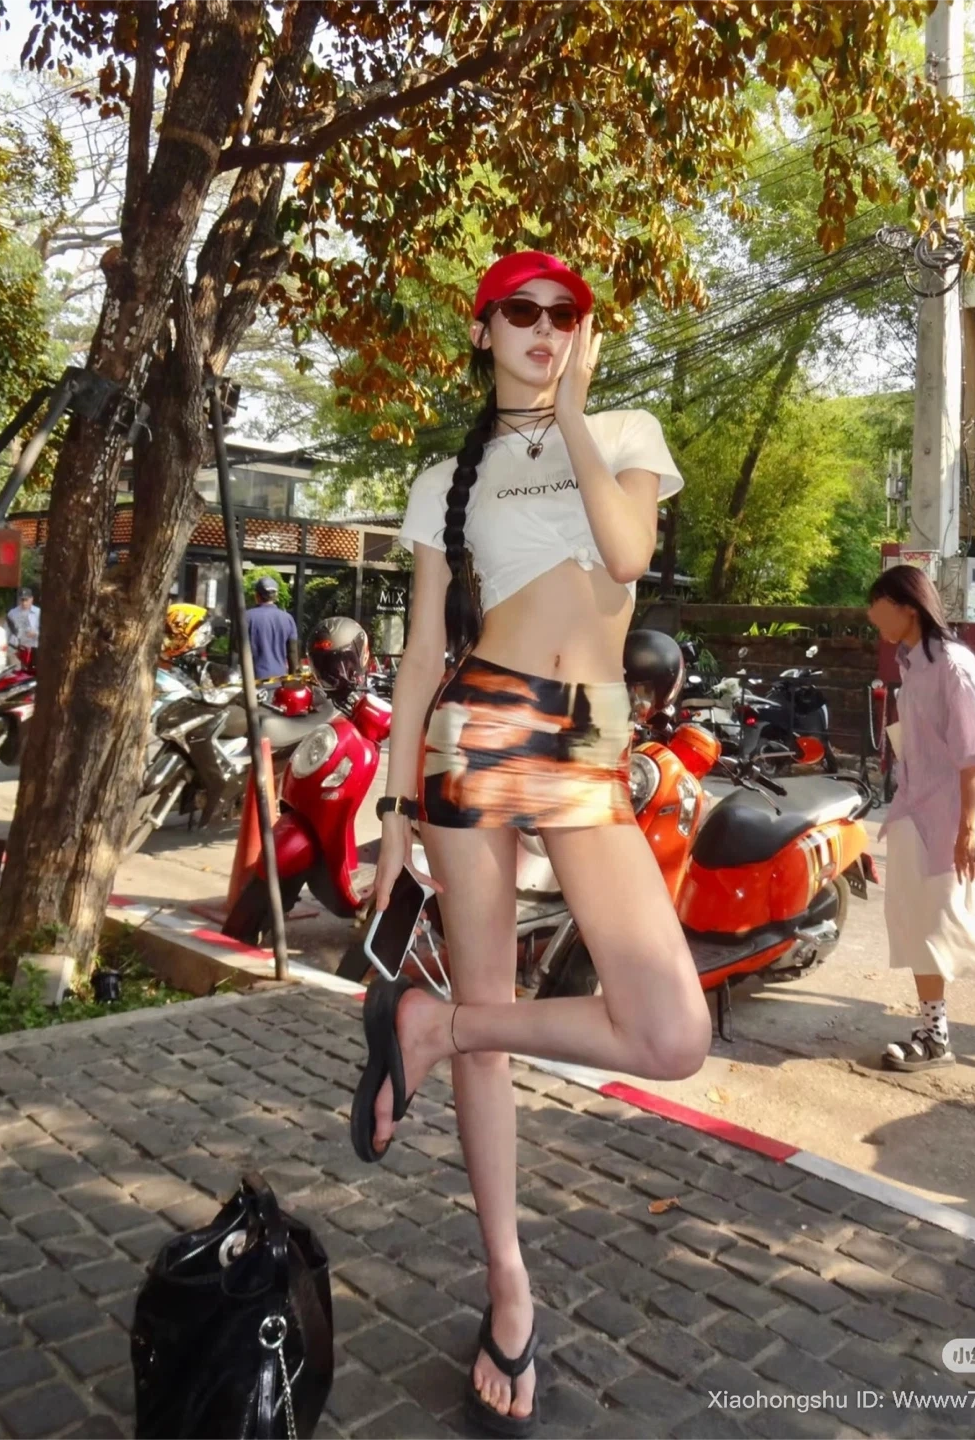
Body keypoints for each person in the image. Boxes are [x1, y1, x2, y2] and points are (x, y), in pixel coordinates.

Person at [350, 251, 712, 1436]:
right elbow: (419, 654)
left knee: (670, 1032)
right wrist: (393, 816)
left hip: (593, 736)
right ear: (484, 329)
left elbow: (627, 556)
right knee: (498, 992)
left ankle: (435, 1025)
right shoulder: (441, 480)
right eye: (522, 311)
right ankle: (506, 1281)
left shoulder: (624, 432)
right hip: (480, 722)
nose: (546, 328)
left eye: (566, 314)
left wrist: (572, 414)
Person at [867, 564, 975, 1074]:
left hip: (955, 814)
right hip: (913, 810)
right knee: (917, 923)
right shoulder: (910, 665)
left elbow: (973, 754)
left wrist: (969, 827)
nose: (872, 616)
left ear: (908, 606)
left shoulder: (953, 665)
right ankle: (934, 1035)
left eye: (878, 605)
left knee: (961, 917)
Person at [245, 576, 298, 681]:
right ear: (276, 596)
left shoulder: (246, 617)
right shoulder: (288, 619)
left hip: (253, 680)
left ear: (257, 596)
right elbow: (292, 652)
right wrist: (292, 677)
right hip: (280, 679)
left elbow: (236, 648)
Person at [6, 588, 40, 663]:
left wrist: (36, 633)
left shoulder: (38, 613)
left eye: (26, 600)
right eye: (22, 600)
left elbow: (46, 631)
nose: (24, 603)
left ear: (32, 599)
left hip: (34, 648)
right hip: (17, 648)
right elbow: (7, 631)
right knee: (17, 668)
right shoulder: (12, 613)